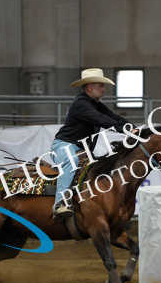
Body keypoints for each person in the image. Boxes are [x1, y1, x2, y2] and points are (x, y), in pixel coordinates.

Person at [51, 68, 136, 218]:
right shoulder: (81, 104)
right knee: (71, 161)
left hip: (82, 150)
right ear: (89, 87)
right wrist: (125, 129)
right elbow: (101, 119)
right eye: (100, 86)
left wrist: (132, 128)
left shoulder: (95, 104)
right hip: (63, 145)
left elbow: (114, 117)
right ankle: (60, 204)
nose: (104, 89)